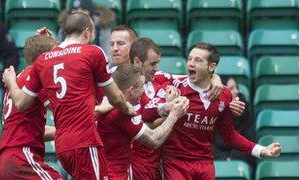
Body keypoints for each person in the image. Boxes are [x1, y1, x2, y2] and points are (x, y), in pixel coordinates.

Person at [2, 11, 134, 179]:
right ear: (87, 31)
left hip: (52, 148)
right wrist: (126, 107)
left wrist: (11, 81)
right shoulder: (92, 52)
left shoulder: (42, 63)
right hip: (75, 143)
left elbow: (22, 102)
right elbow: (115, 98)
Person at [160, 43, 281, 180]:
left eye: (198, 60)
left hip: (205, 164)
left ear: (211, 67)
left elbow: (229, 136)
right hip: (176, 162)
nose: (191, 64)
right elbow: (150, 74)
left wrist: (261, 150)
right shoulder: (176, 85)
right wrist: (165, 107)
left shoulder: (224, 95)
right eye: (189, 59)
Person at [97, 64, 189, 179]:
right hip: (114, 175)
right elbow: (154, 140)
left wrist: (165, 107)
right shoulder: (121, 113)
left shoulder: (108, 103)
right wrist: (174, 115)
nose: (143, 91)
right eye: (141, 86)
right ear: (131, 90)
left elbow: (143, 121)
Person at [0, 35, 62, 179]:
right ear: (45, 57)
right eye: (55, 54)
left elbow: (28, 130)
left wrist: (62, 131)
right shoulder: (35, 78)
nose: (58, 60)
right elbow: (61, 108)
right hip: (21, 156)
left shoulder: (19, 82)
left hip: (4, 162)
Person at [212, 76, 256, 171]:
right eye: (231, 88)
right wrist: (223, 158)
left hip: (240, 161)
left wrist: (231, 158)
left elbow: (249, 140)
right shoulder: (210, 111)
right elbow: (206, 143)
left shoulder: (245, 111)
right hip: (215, 160)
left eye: (236, 87)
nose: (236, 91)